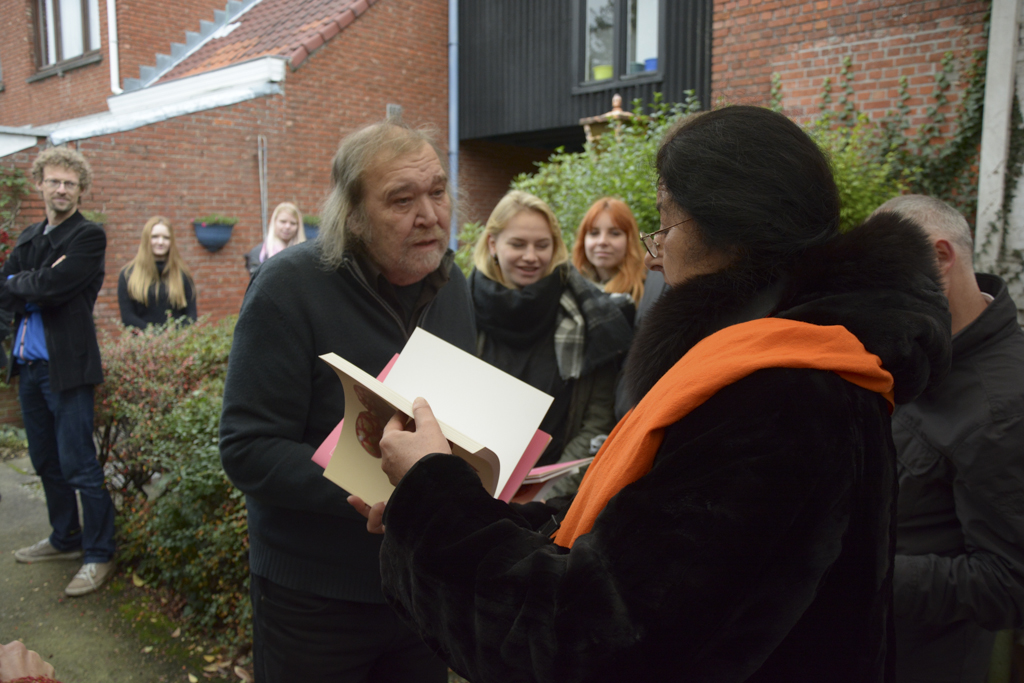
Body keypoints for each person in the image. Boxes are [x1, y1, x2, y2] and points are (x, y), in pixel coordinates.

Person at [354, 106, 953, 682]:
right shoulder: (791, 369)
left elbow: (592, 641)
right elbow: (633, 541)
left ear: (730, 227)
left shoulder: (779, 397)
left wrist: (434, 497)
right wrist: (445, 509)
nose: (656, 255)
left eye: (666, 222)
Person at [219, 121, 476, 682]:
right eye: (402, 200)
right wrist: (382, 485)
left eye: (437, 192)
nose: (430, 215)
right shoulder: (287, 286)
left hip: (420, 587)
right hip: (313, 600)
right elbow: (248, 448)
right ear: (353, 215)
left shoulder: (453, 285)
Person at [873, 195, 1024, 683]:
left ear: (940, 258)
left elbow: (1009, 582)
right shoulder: (921, 346)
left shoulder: (1003, 407)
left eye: (881, 280)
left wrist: (860, 570)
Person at [3, 147, 115, 598]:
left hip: (67, 370)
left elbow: (53, 287)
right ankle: (65, 538)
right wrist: (27, 284)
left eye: (70, 183)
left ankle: (99, 554)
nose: (62, 189)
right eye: (54, 181)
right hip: (29, 369)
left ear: (80, 189)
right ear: (40, 184)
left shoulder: (88, 236)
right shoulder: (30, 237)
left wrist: (23, 283)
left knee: (79, 465)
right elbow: (8, 290)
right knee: (46, 462)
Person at [470, 190, 633, 468]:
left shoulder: (590, 316)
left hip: (553, 486)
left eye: (542, 245)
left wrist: (550, 489)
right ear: (493, 244)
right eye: (518, 244)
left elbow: (597, 421)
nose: (531, 256)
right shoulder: (460, 308)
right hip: (470, 478)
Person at [117, 216, 197, 330]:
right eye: (155, 237)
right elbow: (128, 317)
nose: (160, 242)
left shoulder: (183, 274)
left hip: (177, 340)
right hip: (144, 340)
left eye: (166, 238)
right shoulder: (128, 274)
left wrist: (173, 336)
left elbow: (191, 316)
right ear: (146, 239)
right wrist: (154, 335)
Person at [571, 197, 646, 303]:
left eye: (615, 233)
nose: (602, 241)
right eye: (594, 233)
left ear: (630, 240)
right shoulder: (570, 287)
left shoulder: (648, 287)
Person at [244, 202, 305, 276]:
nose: (287, 226)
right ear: (274, 222)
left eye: (293, 223)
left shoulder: (304, 254)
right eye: (283, 221)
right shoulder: (259, 253)